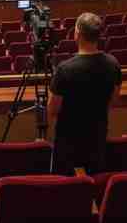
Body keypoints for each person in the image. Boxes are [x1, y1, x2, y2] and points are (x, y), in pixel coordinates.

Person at [48, 12, 122, 175]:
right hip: (97, 137)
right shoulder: (113, 65)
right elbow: (114, 101)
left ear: (77, 35)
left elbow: (52, 110)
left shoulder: (64, 69)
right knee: (92, 183)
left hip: (68, 142)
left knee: (65, 186)